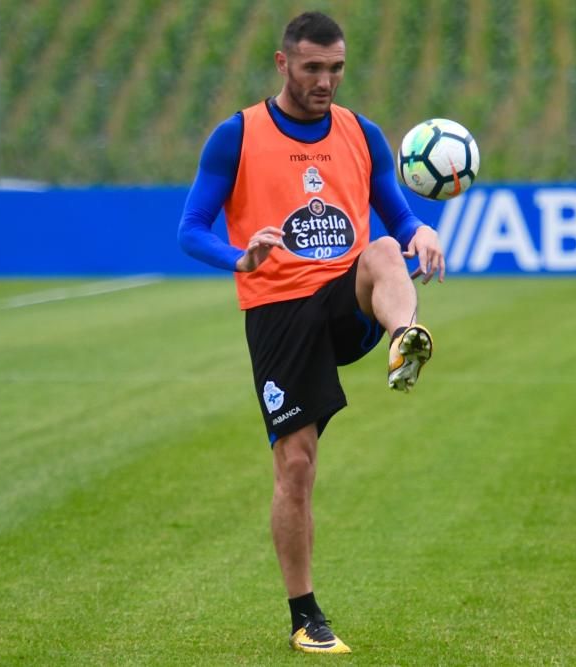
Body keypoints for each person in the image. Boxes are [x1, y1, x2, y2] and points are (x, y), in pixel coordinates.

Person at [177, 11, 445, 655]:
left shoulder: (362, 133)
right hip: (277, 309)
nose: (325, 81)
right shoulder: (236, 135)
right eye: (312, 68)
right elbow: (190, 229)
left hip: (342, 299)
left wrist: (421, 232)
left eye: (336, 69)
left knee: (383, 247)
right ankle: (305, 614)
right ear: (282, 63)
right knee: (296, 466)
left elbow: (398, 214)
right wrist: (239, 256)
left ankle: (403, 337)